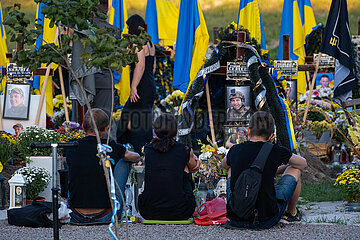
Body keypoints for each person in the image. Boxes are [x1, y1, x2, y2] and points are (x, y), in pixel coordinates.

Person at [222, 111, 307, 229]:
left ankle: (237, 208)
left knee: (231, 168)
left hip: (236, 219)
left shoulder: (236, 149)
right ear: (271, 135)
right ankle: (291, 214)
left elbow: (224, 165)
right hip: (265, 220)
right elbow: (302, 164)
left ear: (248, 131)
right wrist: (283, 168)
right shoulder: (276, 151)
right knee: (295, 169)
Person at [66, 108, 140, 224]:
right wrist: (123, 153)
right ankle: (121, 209)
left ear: (83, 127)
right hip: (105, 215)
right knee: (124, 161)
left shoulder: (72, 146)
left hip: (75, 215)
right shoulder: (110, 146)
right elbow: (136, 157)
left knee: (75, 165)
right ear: (106, 129)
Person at [138, 114, 200, 220]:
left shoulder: (148, 149)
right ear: (175, 131)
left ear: (156, 130)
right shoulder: (184, 149)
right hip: (181, 210)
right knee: (184, 166)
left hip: (148, 210)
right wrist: (192, 155)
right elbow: (194, 168)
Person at [116, 14, 157, 155]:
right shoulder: (150, 43)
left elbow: (140, 65)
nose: (127, 30)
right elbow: (153, 67)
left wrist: (133, 86)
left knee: (131, 121)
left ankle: (137, 153)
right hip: (149, 84)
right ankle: (143, 151)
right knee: (141, 120)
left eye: (128, 27)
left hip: (141, 86)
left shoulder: (137, 43)